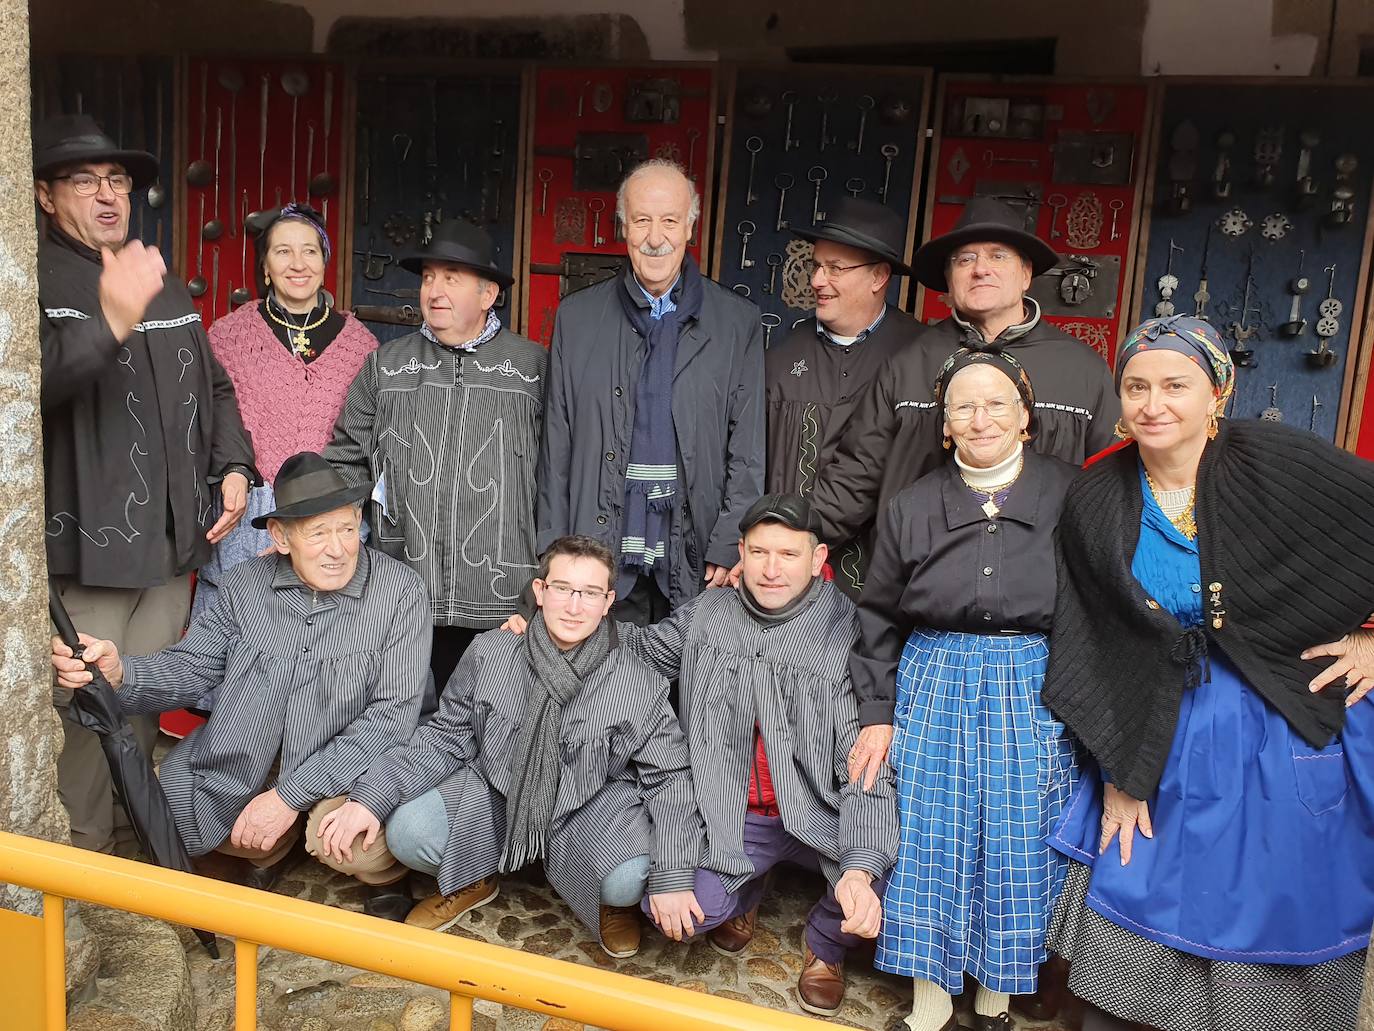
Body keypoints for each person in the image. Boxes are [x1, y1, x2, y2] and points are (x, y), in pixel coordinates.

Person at [1041, 315, 1374, 1031]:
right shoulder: (1097, 500)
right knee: (1139, 904)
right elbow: (1091, 639)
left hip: (1282, 733)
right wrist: (1123, 771)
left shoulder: (1276, 461)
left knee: (1272, 909)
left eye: (1174, 384)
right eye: (1136, 386)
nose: (1152, 403)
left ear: (1217, 392)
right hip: (1156, 731)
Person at [50, 453, 431, 919]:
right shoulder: (244, 585)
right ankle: (268, 852)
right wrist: (121, 673)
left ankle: (383, 877)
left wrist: (289, 797)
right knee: (164, 816)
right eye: (318, 533)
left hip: (344, 768)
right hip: (250, 758)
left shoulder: (400, 593)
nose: (338, 549)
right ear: (280, 537)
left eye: (347, 529)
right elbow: (193, 668)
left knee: (347, 842)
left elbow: (390, 718)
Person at [314, 535, 703, 959]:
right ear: (539, 591)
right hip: (500, 789)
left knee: (628, 879)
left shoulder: (637, 678)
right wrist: (372, 797)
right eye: (562, 588)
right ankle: (474, 877)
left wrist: (674, 877)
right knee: (409, 832)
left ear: (608, 601)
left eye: (590, 593)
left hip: (588, 803)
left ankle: (605, 898)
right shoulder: (492, 651)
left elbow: (669, 778)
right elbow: (444, 736)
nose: (575, 606)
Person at [34, 113, 257, 854]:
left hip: (170, 548)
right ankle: (79, 855)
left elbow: (218, 388)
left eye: (118, 181)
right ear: (43, 195)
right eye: (85, 180)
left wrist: (233, 466)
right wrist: (110, 316)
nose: (108, 195)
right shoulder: (33, 276)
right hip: (89, 554)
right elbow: (31, 387)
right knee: (79, 708)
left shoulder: (154, 276)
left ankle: (133, 840)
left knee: (142, 697)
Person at [851, 349, 1078, 1031]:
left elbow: (1095, 610)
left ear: (1025, 417)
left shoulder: (1071, 496)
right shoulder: (912, 504)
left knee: (1017, 837)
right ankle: (930, 1003)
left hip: (1033, 680)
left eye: (997, 403)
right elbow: (879, 615)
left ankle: (995, 1001)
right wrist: (877, 712)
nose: (981, 418)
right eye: (963, 406)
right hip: (937, 674)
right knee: (931, 835)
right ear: (945, 424)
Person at [614, 494, 897, 1016]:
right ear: (740, 553)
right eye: (759, 553)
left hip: (821, 812)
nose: (770, 570)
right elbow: (639, 654)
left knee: (887, 884)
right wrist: (559, 621)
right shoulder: (709, 613)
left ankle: (825, 944)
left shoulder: (849, 630)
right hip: (735, 814)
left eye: (788, 555)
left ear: (818, 560)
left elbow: (865, 761)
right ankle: (744, 891)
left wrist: (862, 865)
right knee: (677, 913)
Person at [536, 159, 764, 626]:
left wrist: (728, 541)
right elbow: (555, 446)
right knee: (601, 689)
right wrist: (555, 551)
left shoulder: (737, 322)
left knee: (692, 689)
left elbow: (748, 448)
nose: (655, 237)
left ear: (690, 227)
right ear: (623, 227)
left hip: (698, 549)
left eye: (669, 220)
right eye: (642, 220)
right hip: (597, 547)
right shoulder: (577, 320)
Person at [326, 219, 546, 692]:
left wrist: (549, 578)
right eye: (429, 277)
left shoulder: (532, 368)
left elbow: (560, 474)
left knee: (489, 729)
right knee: (402, 727)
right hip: (404, 584)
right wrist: (328, 534)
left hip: (505, 596)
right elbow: (346, 455)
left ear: (488, 294)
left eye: (451, 277)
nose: (435, 290)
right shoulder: (387, 365)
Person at [192, 203, 379, 625]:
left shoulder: (360, 345)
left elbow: (369, 440)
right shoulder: (228, 336)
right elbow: (208, 421)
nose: (298, 264)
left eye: (310, 251)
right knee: (236, 632)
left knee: (324, 634)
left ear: (325, 261)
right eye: (283, 252)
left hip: (331, 509)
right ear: (265, 266)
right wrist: (231, 473)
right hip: (249, 507)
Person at [765, 196, 930, 598]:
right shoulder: (782, 355)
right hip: (780, 575)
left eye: (835, 268)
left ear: (878, 277)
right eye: (816, 266)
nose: (818, 280)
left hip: (879, 579)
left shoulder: (920, 356)